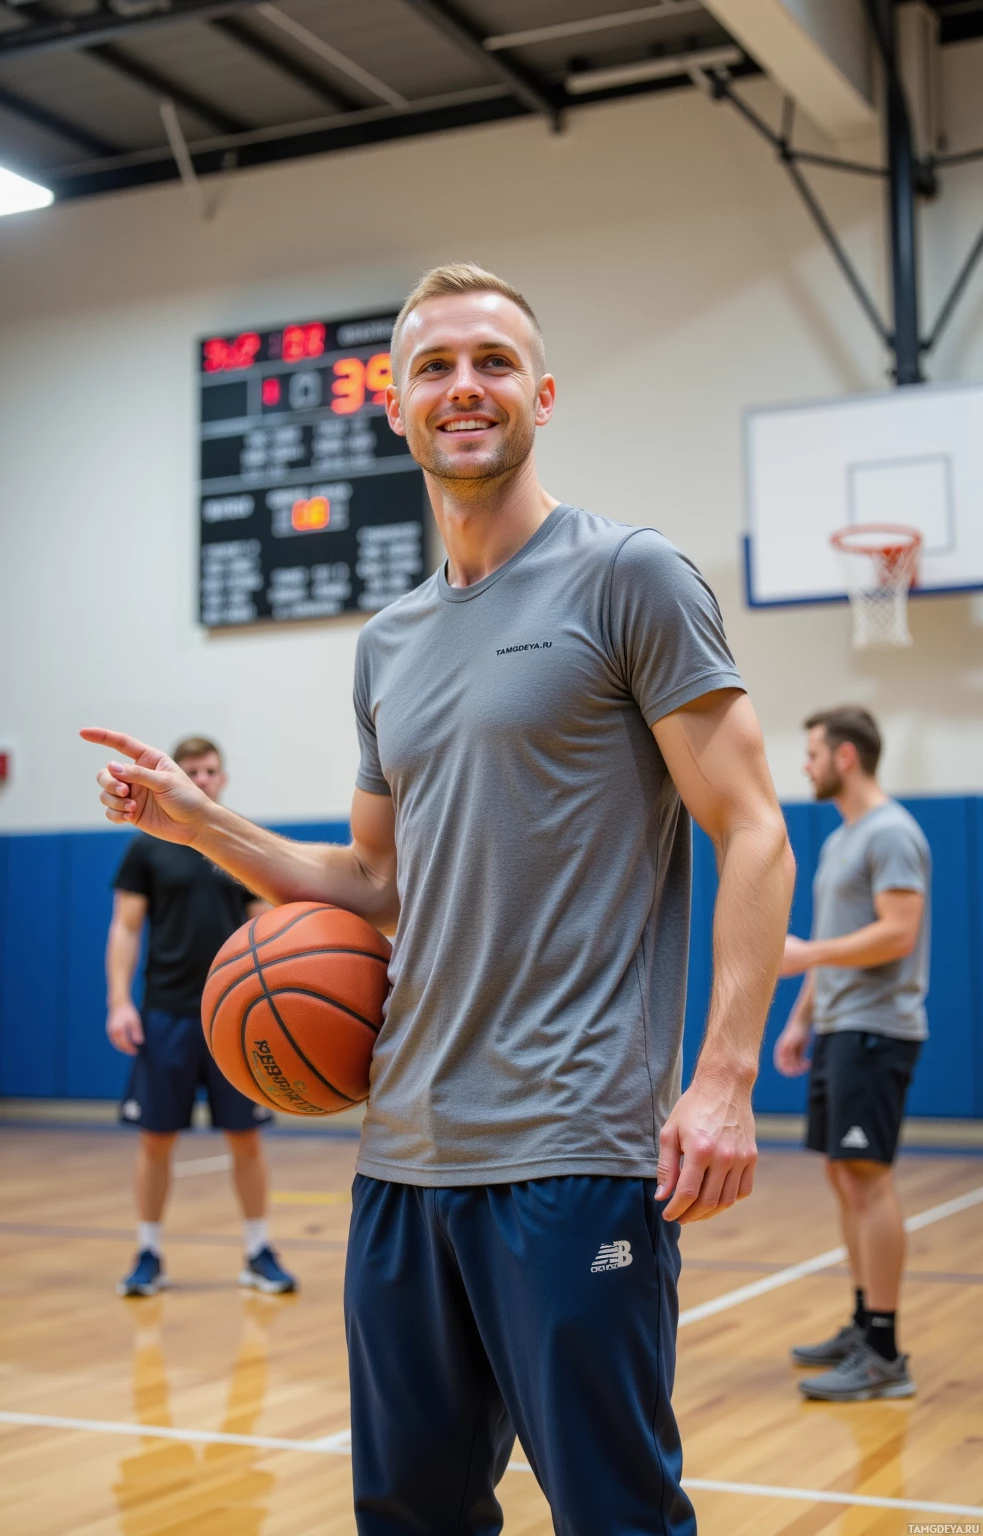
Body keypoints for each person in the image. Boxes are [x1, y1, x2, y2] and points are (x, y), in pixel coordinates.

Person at [83, 264, 794, 1534]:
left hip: (574, 1146)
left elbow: (751, 831)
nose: (464, 386)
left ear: (542, 395)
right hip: (403, 1154)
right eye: (435, 367)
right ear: (397, 411)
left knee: (614, 1514)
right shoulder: (389, 641)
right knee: (410, 1513)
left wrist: (725, 1075)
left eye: (493, 362)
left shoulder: (629, 577)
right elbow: (373, 884)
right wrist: (199, 823)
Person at [775, 706, 930, 1402]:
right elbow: (834, 938)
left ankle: (886, 1351)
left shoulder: (893, 833)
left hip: (877, 1027)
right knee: (845, 1177)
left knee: (868, 1178)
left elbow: (898, 934)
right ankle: (865, 1320)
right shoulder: (844, 839)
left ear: (845, 757)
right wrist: (802, 1016)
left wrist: (810, 955)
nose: (803, 765)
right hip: (840, 1023)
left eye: (812, 753)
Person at [107, 735, 296, 1299]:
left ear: (223, 777)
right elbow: (126, 926)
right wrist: (119, 1000)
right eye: (192, 770)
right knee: (155, 1140)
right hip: (166, 1011)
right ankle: (148, 1252)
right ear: (174, 775)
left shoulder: (237, 839)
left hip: (233, 1019)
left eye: (211, 770)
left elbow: (267, 923)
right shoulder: (147, 847)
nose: (203, 779)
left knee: (246, 1139)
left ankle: (258, 1250)